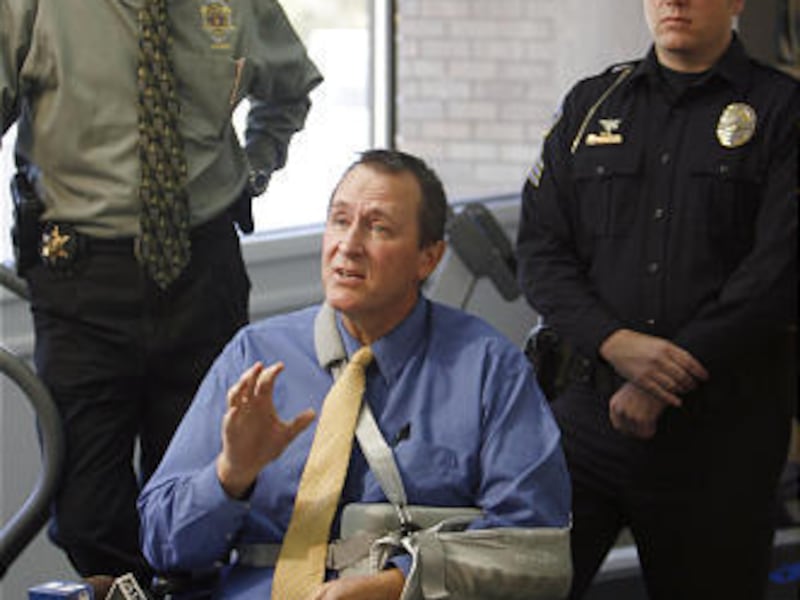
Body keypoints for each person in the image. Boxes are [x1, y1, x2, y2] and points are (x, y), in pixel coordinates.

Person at [138, 149, 572, 599]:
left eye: (378, 228)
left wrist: (399, 584)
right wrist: (231, 474)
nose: (348, 244)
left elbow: (535, 552)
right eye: (340, 221)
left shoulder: (487, 367)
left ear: (429, 257)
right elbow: (162, 545)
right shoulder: (256, 357)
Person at [0, 0, 321, 595]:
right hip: (84, 278)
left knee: (206, 490)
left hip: (203, 270)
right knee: (87, 512)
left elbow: (290, 85)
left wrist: (253, 168)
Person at [516, 0, 798, 598]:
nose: (674, 1)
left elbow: (778, 273)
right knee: (523, 587)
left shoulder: (783, 111)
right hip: (587, 423)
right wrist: (616, 344)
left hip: (723, 435)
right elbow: (541, 252)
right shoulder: (591, 104)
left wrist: (660, 377)